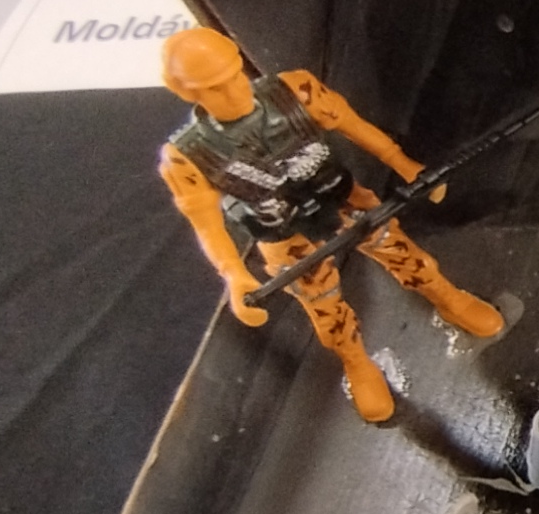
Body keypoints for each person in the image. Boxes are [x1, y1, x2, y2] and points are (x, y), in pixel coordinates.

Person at [155, 26, 504, 421]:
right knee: (324, 306)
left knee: (401, 251)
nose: (235, 92)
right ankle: (357, 363)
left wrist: (402, 162)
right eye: (215, 88)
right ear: (189, 93)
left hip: (340, 198)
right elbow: (206, 224)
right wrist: (234, 274)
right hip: (282, 231)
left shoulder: (295, 91)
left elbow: (353, 125)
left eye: (234, 75)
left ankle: (448, 299)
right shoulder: (188, 157)